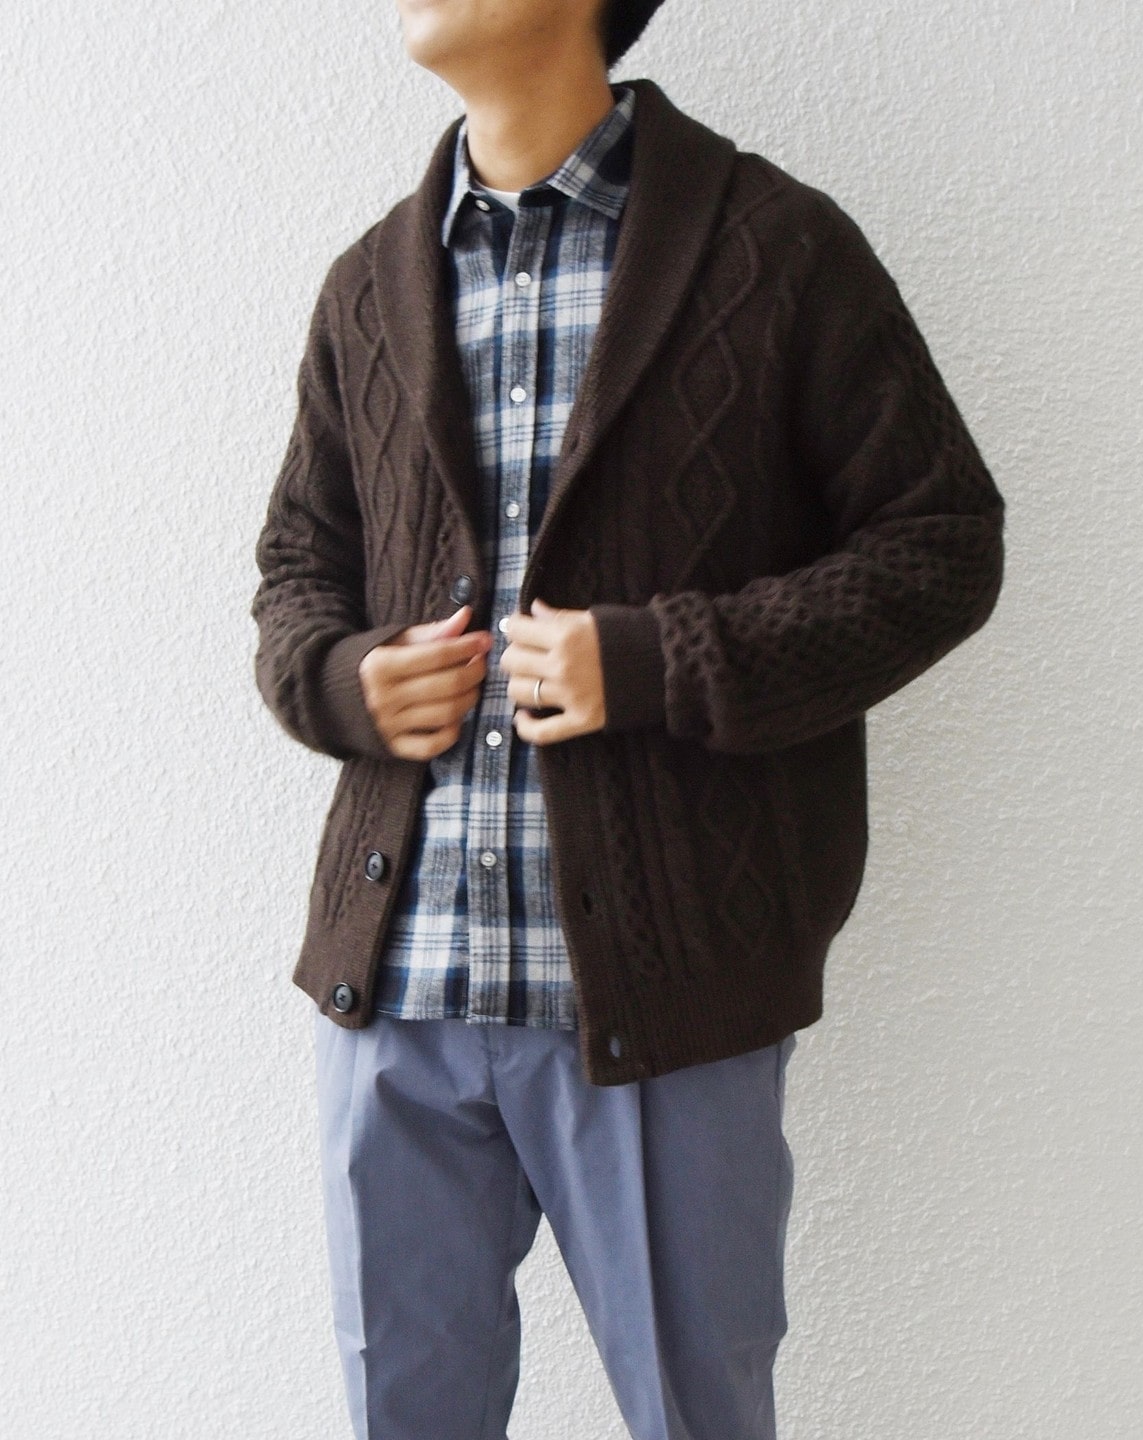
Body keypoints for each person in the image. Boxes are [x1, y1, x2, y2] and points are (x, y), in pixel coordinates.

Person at [249, 0, 1006, 1434]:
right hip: (398, 987)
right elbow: (296, 569)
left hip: (665, 1000)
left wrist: (662, 661)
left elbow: (941, 545)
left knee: (695, 1416)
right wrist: (344, 684)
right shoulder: (369, 287)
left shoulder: (777, 248)